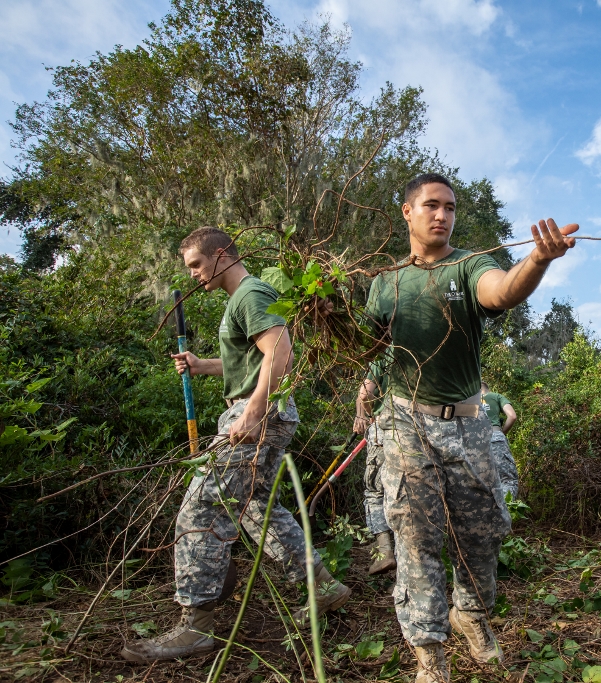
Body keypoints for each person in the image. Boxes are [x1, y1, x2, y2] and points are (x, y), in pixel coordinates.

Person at [365, 173, 577, 683]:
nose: (442, 215)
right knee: (415, 536)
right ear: (408, 212)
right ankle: (429, 655)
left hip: (467, 423)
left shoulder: (468, 265)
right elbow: (372, 349)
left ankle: (472, 615)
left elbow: (502, 291)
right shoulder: (384, 282)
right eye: (432, 206)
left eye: (450, 208)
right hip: (404, 419)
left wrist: (537, 261)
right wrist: (364, 394)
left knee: (483, 533)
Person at [121, 227, 351, 663]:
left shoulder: (249, 293)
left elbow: (279, 351)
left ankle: (196, 627)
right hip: (264, 409)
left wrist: (252, 411)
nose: (193, 275)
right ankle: (321, 585)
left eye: (196, 265)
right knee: (256, 508)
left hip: (256, 414)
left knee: (203, 507)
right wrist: (199, 365)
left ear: (222, 254)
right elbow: (246, 362)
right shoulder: (239, 301)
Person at [353, 354, 397, 575]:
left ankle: (385, 548)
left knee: (374, 491)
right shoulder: (423, 349)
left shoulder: (385, 355)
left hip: (385, 427)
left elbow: (365, 394)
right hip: (420, 429)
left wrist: (372, 418)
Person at [480, 381, 519, 501]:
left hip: (473, 443)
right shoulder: (496, 396)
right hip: (495, 437)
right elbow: (512, 416)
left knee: (481, 482)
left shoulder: (469, 400)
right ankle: (507, 512)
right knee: (507, 480)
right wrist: (501, 433)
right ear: (487, 388)